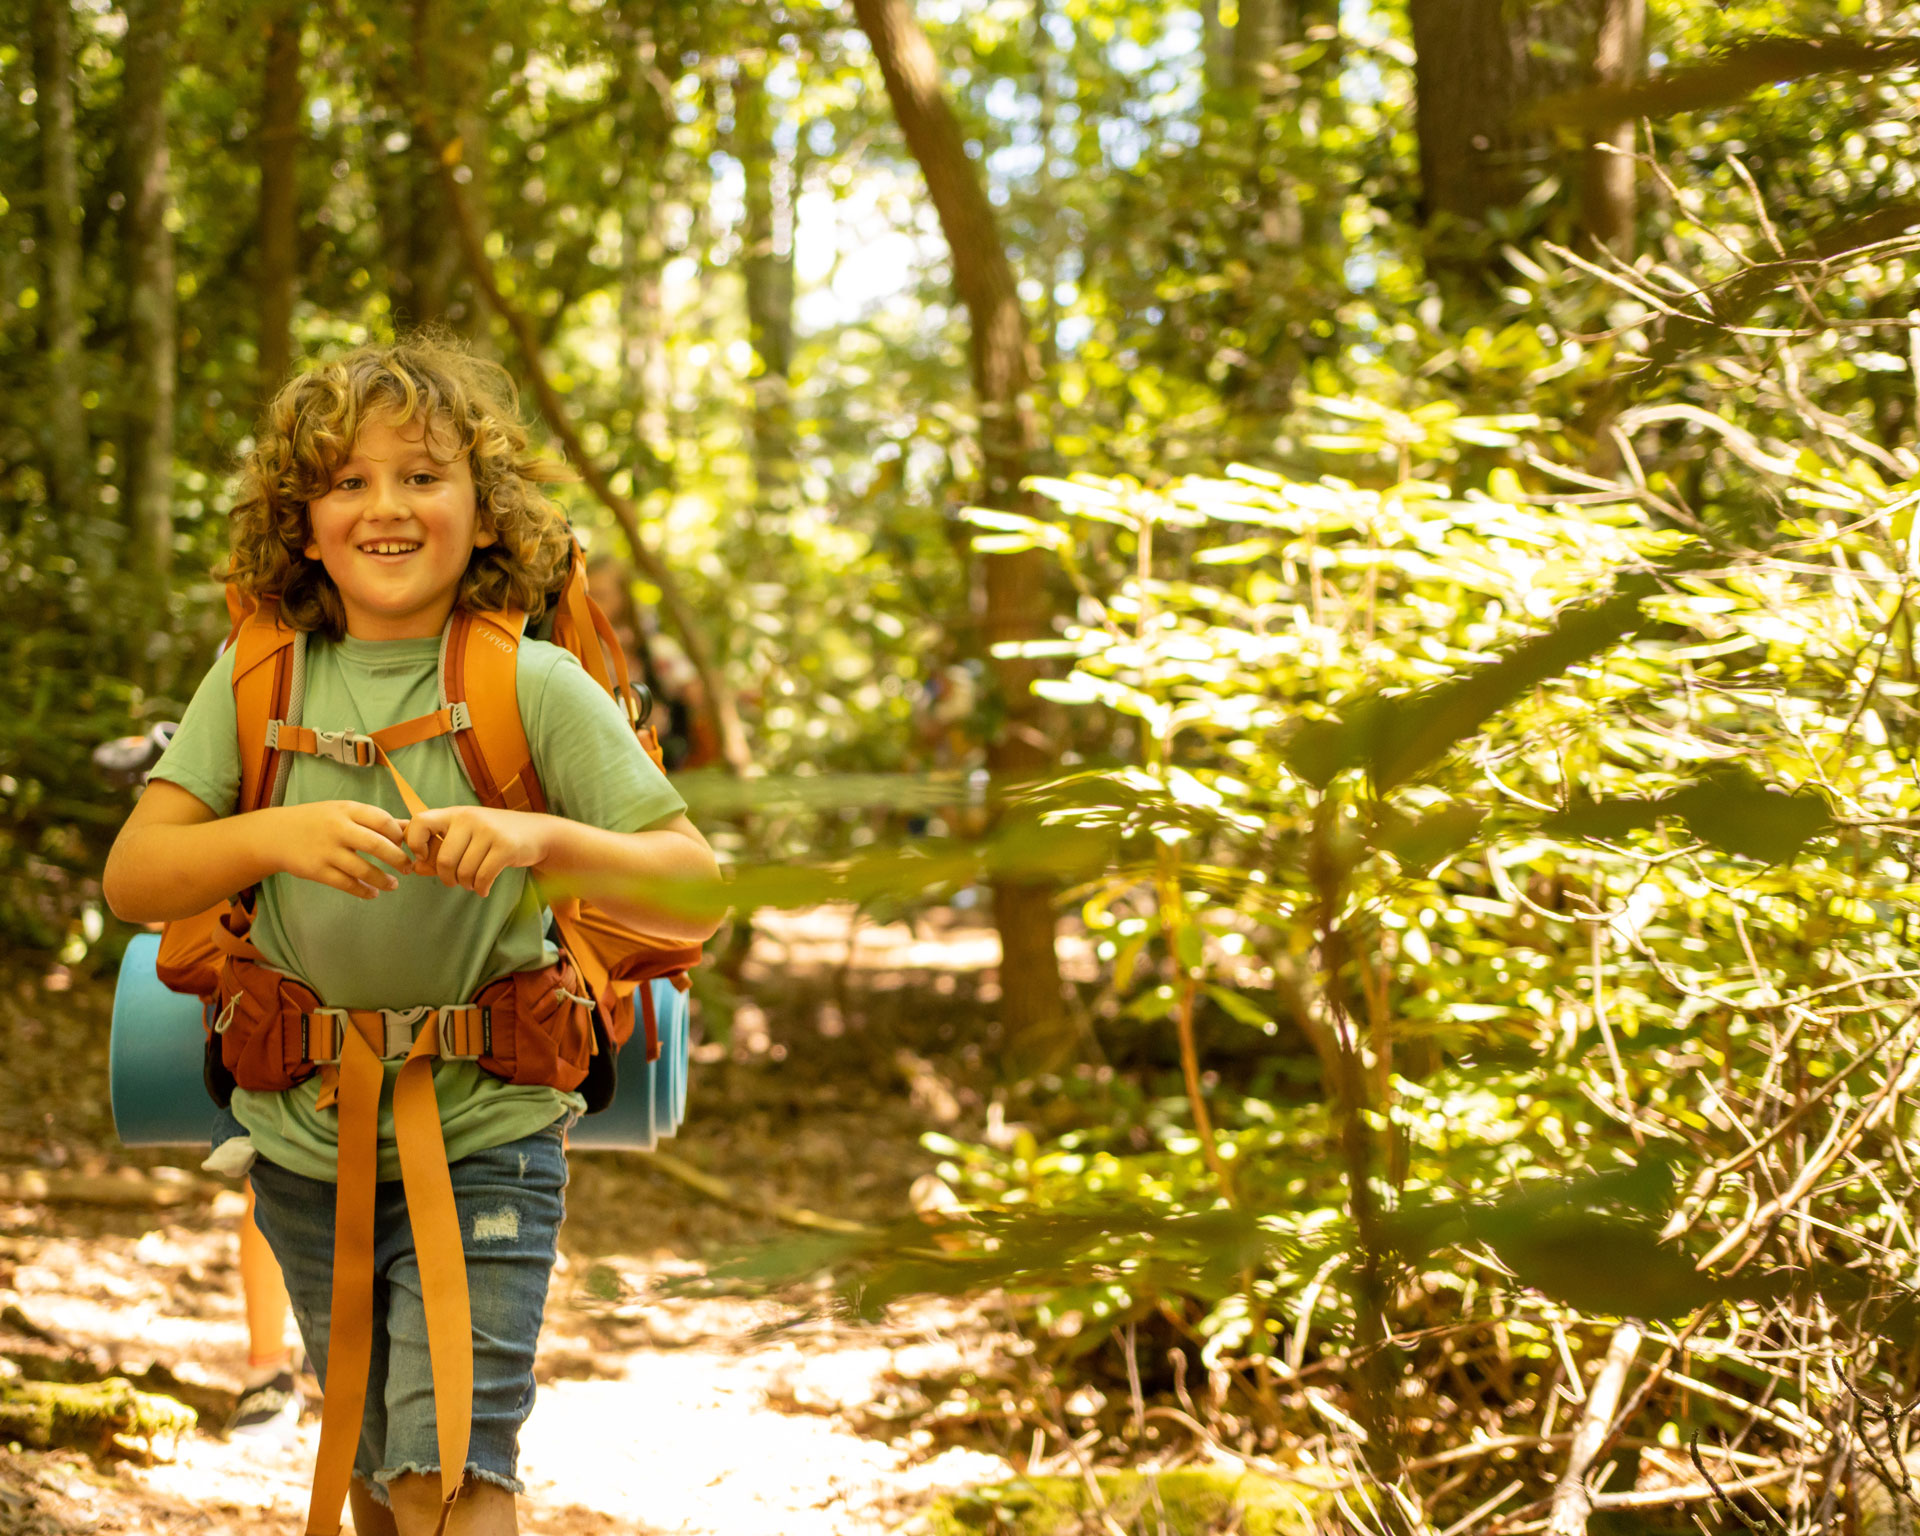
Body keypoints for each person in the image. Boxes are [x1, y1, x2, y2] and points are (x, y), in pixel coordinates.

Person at [102, 336, 721, 1536]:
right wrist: (271, 836)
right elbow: (138, 874)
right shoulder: (259, 675)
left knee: (455, 1475)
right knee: (380, 1472)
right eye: (347, 481)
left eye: (422, 476)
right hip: (302, 1140)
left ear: (483, 511)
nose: (385, 506)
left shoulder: (532, 682)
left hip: (488, 1129)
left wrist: (544, 839)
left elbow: (695, 890)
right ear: (305, 521)